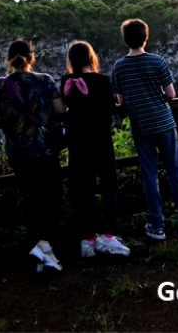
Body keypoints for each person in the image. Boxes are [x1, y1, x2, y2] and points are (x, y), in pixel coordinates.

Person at [112, 19, 178, 240]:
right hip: (163, 123)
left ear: (125, 40)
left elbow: (121, 102)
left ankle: (157, 225)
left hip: (141, 127)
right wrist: (156, 98)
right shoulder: (157, 61)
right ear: (146, 37)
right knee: (175, 172)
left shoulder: (119, 66)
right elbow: (171, 94)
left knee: (149, 177)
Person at [0, 39, 65, 272]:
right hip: (44, 148)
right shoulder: (45, 80)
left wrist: (13, 120)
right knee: (53, 196)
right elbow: (60, 110)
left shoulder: (0, 84)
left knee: (30, 198)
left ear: (8, 59)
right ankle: (47, 246)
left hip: (17, 151)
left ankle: (38, 248)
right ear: (32, 58)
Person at [61, 40, 130, 258]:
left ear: (71, 60)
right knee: (109, 184)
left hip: (78, 144)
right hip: (100, 141)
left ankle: (88, 239)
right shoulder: (101, 80)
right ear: (91, 59)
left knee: (84, 189)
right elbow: (110, 108)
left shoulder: (66, 81)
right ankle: (108, 236)